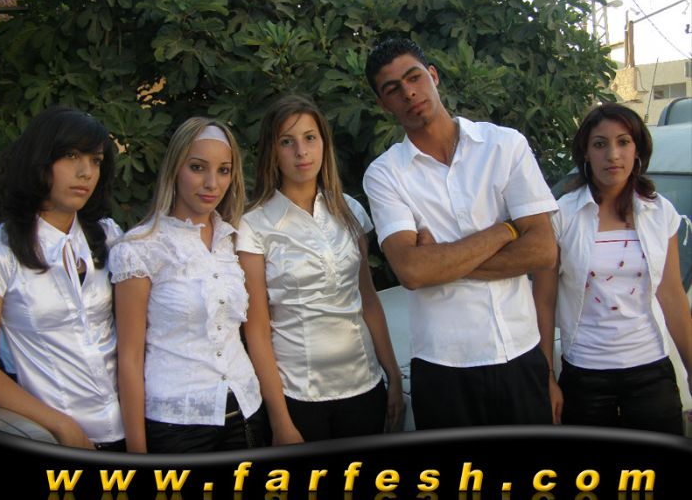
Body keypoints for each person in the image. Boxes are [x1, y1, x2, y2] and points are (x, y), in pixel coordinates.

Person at [362, 38, 559, 429]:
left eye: (414, 77)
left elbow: (542, 250)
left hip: (520, 354)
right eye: (393, 89)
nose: (409, 93)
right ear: (384, 104)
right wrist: (505, 229)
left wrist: (441, 262)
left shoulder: (505, 146)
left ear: (433, 76)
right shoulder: (384, 175)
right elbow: (413, 272)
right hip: (443, 368)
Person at [237, 94, 403, 444]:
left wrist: (393, 376)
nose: (301, 151)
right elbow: (257, 329)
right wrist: (280, 420)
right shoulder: (254, 225)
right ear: (272, 151)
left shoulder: (349, 210)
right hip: (299, 397)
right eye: (287, 141)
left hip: (365, 386)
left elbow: (368, 300)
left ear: (324, 143)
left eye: (310, 137)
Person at [532, 103, 692, 433]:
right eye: (600, 144)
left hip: (651, 374)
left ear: (637, 150)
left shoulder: (660, 213)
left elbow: (673, 297)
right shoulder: (562, 215)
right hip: (585, 377)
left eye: (623, 142)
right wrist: (546, 377)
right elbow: (543, 301)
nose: (612, 155)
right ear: (586, 153)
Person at [109, 117, 266, 453]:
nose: (212, 183)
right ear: (174, 169)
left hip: (247, 412)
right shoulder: (140, 247)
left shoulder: (233, 239)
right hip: (177, 426)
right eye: (197, 167)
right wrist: (137, 450)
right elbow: (130, 358)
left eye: (223, 170)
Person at [0, 105, 124, 450]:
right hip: (56, 437)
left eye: (96, 160)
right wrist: (62, 426)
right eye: (71, 156)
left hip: (131, 427)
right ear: (40, 160)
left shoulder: (109, 237)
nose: (85, 172)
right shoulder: (0, 250)